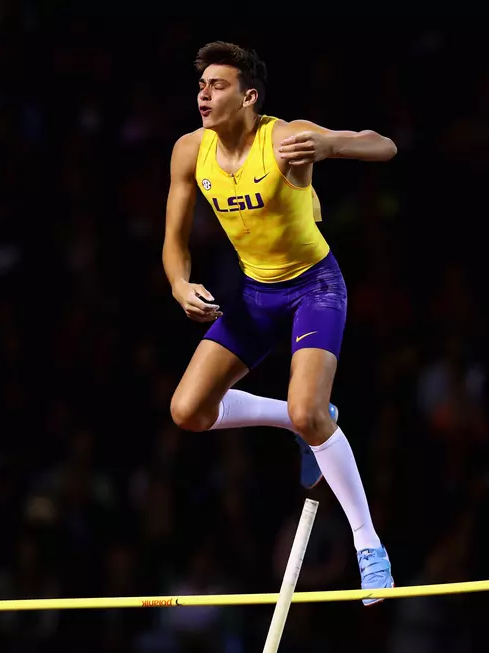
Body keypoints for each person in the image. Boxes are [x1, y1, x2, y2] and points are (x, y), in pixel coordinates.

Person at [162, 41, 397, 604]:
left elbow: (384, 146)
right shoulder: (189, 152)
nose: (204, 94)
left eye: (217, 86)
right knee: (188, 410)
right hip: (256, 295)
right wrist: (178, 284)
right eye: (201, 86)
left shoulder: (285, 138)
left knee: (311, 411)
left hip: (314, 288)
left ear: (249, 97)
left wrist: (330, 144)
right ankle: (294, 423)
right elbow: (173, 244)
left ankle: (370, 546)